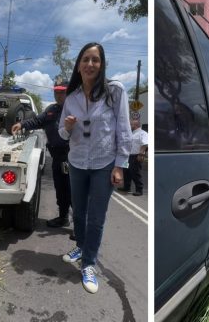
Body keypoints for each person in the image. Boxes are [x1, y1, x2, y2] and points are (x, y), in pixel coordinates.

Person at [58, 42, 131, 294]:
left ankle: (88, 263)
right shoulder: (72, 97)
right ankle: (80, 245)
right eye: (85, 59)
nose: (90, 64)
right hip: (77, 162)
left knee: (96, 217)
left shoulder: (115, 91)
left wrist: (120, 165)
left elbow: (123, 129)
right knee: (78, 212)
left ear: (102, 65)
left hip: (104, 163)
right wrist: (67, 127)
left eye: (95, 60)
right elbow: (61, 134)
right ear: (78, 66)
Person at [12, 81, 72, 230]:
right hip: (57, 157)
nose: (58, 95)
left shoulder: (75, 109)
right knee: (61, 189)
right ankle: (63, 217)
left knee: (74, 191)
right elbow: (38, 121)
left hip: (72, 157)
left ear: (68, 93)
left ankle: (79, 227)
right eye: (56, 92)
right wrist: (22, 124)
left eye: (62, 92)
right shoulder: (51, 110)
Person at [117, 117, 148, 196]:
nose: (129, 125)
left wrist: (141, 154)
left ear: (136, 125)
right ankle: (127, 187)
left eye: (131, 124)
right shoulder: (132, 133)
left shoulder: (142, 133)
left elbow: (145, 144)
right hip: (127, 157)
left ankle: (139, 189)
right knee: (126, 172)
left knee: (135, 173)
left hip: (135, 156)